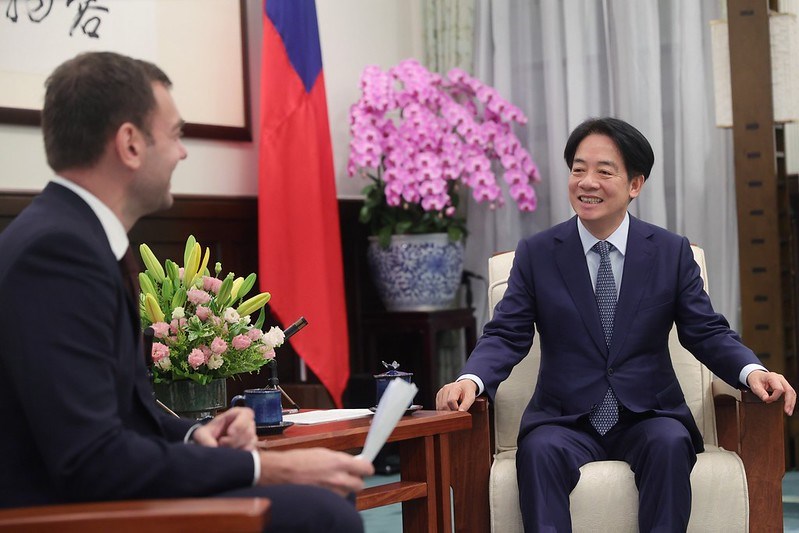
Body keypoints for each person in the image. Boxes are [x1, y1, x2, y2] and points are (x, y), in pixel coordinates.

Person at [0, 51, 373, 532]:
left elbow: (119, 415)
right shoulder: (57, 254)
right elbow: (91, 460)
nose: (183, 152)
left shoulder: (72, 236)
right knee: (321, 515)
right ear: (130, 144)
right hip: (62, 516)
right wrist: (267, 465)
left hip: (97, 500)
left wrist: (199, 435)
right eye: (176, 134)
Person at [436, 117, 796, 532]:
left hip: (648, 415)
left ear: (635, 184)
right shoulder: (537, 254)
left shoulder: (669, 252)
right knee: (537, 452)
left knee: (669, 442)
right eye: (578, 169)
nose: (587, 182)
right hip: (564, 419)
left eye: (604, 171)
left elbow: (706, 331)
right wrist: (472, 378)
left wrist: (753, 372)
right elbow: (506, 333)